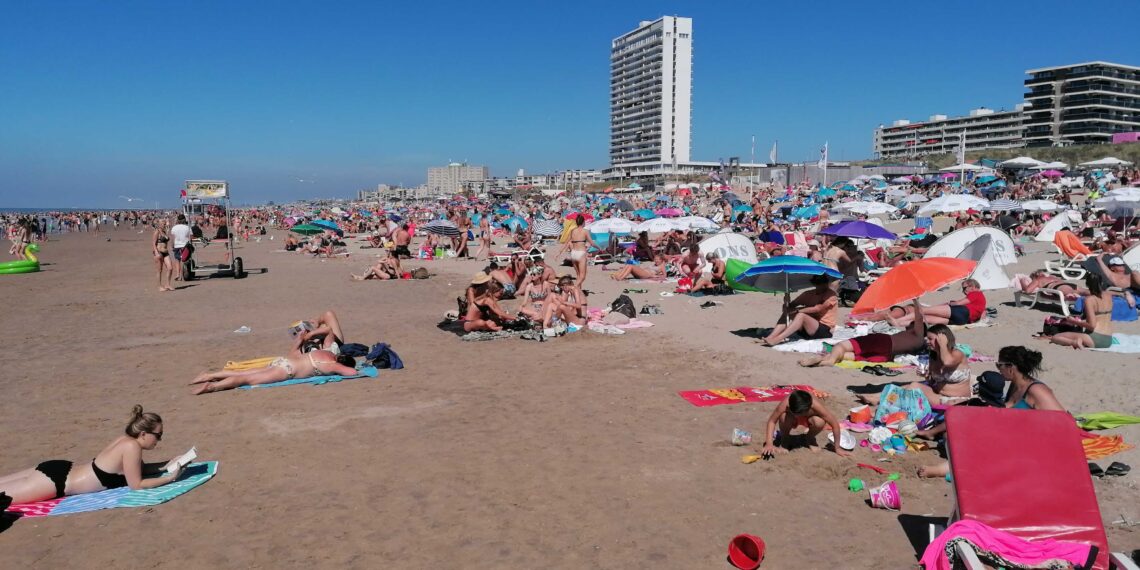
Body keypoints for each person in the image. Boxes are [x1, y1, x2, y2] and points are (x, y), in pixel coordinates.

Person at [918, 347, 1063, 478]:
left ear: (1011, 367)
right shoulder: (1015, 386)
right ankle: (939, 447)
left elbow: (1064, 421)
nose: (998, 369)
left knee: (981, 451)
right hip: (1011, 435)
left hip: (1030, 443)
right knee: (955, 431)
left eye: (999, 365)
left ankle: (940, 470)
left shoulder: (1036, 391)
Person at [0, 406, 184, 506]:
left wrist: (168, 464)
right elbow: (136, 485)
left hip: (57, 469)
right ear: (143, 434)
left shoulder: (125, 440)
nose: (159, 440)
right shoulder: (132, 447)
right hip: (56, 483)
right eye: (158, 435)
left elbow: (137, 469)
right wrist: (170, 478)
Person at [189, 335, 357, 394]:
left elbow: (294, 353)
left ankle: (210, 375)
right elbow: (351, 373)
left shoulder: (325, 352)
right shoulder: (331, 364)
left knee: (244, 373)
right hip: (287, 370)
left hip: (283, 360)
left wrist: (298, 342)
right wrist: (350, 369)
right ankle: (211, 387)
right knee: (247, 379)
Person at [857, 324, 971, 407]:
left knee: (914, 387)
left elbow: (947, 362)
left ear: (942, 339)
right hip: (938, 395)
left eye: (931, 339)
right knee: (912, 385)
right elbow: (934, 383)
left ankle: (879, 401)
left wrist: (943, 345)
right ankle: (876, 397)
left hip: (957, 401)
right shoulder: (934, 356)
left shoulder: (957, 354)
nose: (927, 341)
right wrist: (928, 377)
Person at [799, 299, 927, 367]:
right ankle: (823, 359)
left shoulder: (918, 335)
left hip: (884, 341)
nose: (909, 326)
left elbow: (919, 317)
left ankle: (830, 359)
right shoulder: (915, 341)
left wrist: (916, 300)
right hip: (886, 356)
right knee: (850, 356)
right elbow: (895, 322)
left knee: (842, 346)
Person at [759, 390, 849, 458]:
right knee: (784, 416)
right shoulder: (786, 404)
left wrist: (837, 448)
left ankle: (809, 438)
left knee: (820, 421)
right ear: (790, 406)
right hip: (791, 419)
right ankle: (785, 439)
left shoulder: (815, 405)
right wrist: (769, 443)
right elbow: (772, 421)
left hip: (810, 419)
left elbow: (834, 424)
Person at [761, 275, 838, 345]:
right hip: (806, 330)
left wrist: (798, 310)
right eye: (820, 283)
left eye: (824, 283)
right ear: (814, 284)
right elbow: (790, 306)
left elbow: (818, 308)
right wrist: (786, 303)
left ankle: (778, 339)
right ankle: (771, 337)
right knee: (788, 313)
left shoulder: (831, 295)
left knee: (801, 315)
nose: (823, 286)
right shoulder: (808, 294)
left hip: (825, 330)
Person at [1044, 273, 1115, 349]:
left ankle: (1074, 342)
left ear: (1087, 285)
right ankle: (1079, 340)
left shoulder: (1089, 300)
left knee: (1056, 337)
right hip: (1108, 340)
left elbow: (1092, 326)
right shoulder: (1108, 296)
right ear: (1101, 283)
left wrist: (1074, 321)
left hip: (1094, 338)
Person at [892, 279, 986, 327]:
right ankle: (901, 323)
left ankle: (898, 321)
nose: (963, 291)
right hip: (962, 321)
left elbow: (959, 303)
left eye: (964, 288)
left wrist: (949, 303)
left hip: (962, 312)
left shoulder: (976, 293)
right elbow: (982, 314)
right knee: (927, 319)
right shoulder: (982, 300)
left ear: (972, 286)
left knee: (923, 311)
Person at [559, 214, 600, 285]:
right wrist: (599, 247)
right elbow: (592, 243)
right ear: (583, 222)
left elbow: (566, 242)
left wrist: (559, 252)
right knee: (582, 276)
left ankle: (577, 292)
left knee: (578, 275)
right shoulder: (585, 231)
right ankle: (573, 288)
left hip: (573, 253)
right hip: (581, 253)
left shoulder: (572, 231)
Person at [152, 220, 174, 292]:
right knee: (159, 270)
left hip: (165, 252)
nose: (164, 225)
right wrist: (156, 252)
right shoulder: (157, 232)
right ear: (159, 224)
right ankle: (160, 286)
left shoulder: (164, 232)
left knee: (170, 268)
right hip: (159, 252)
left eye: (165, 224)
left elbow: (167, 239)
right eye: (163, 224)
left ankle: (167, 284)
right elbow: (153, 243)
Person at [170, 214, 193, 281]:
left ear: (178, 220)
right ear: (184, 220)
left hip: (177, 245)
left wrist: (172, 245)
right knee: (184, 260)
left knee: (177, 260)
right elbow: (191, 236)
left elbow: (172, 238)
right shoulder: (187, 227)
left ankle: (177, 274)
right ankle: (183, 275)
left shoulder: (174, 228)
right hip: (185, 245)